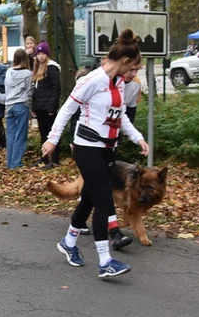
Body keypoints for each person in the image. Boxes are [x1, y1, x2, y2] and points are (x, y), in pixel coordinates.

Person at [42, 28, 149, 279]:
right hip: (87, 147)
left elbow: (120, 116)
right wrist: (52, 139)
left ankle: (68, 243)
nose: (133, 73)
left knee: (89, 198)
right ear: (124, 61)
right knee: (103, 202)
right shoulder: (91, 81)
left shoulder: (120, 83)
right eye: (132, 67)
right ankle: (106, 261)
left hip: (108, 149)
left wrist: (138, 138)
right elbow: (67, 109)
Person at [31, 42, 62, 167]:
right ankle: (44, 157)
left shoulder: (51, 67)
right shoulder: (37, 68)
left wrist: (52, 107)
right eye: (38, 54)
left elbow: (56, 88)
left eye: (43, 53)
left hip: (48, 107)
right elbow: (36, 90)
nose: (41, 56)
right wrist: (34, 107)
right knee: (43, 133)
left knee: (51, 133)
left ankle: (54, 159)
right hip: (40, 107)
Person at [4, 49, 33, 169]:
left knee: (10, 135)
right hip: (21, 105)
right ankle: (16, 163)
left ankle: (9, 162)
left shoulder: (8, 71)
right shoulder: (28, 73)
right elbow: (29, 91)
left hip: (9, 105)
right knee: (20, 135)